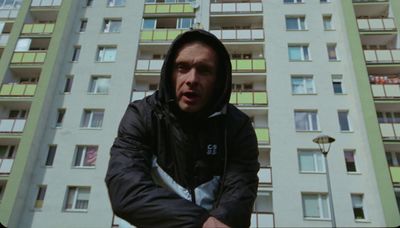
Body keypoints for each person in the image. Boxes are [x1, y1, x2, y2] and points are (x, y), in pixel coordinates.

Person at [105, 29, 259, 228]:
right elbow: (125, 187)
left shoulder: (237, 127)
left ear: (218, 79)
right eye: (182, 67)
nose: (192, 79)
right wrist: (201, 222)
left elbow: (240, 190)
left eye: (204, 70)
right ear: (170, 73)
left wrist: (219, 221)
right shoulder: (142, 116)